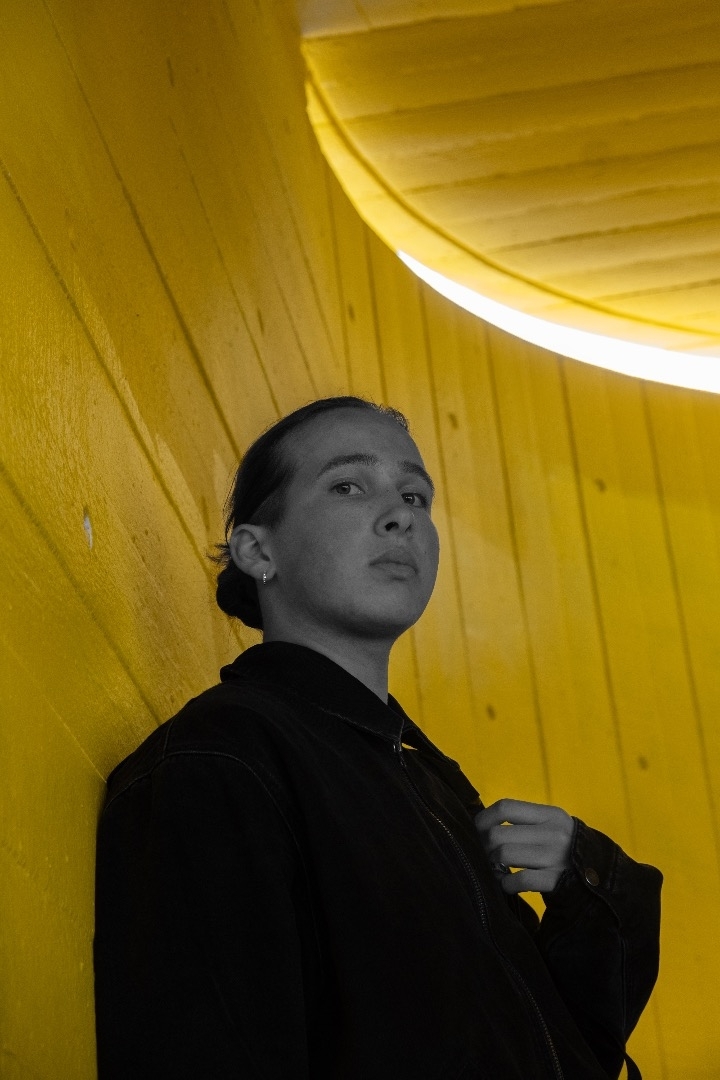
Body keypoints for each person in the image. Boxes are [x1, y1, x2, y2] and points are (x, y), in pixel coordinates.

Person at [93, 396, 662, 1079]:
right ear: (258, 549)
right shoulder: (222, 759)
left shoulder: (433, 791)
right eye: (348, 486)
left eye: (415, 496)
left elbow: (566, 1051)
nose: (401, 515)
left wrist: (588, 881)